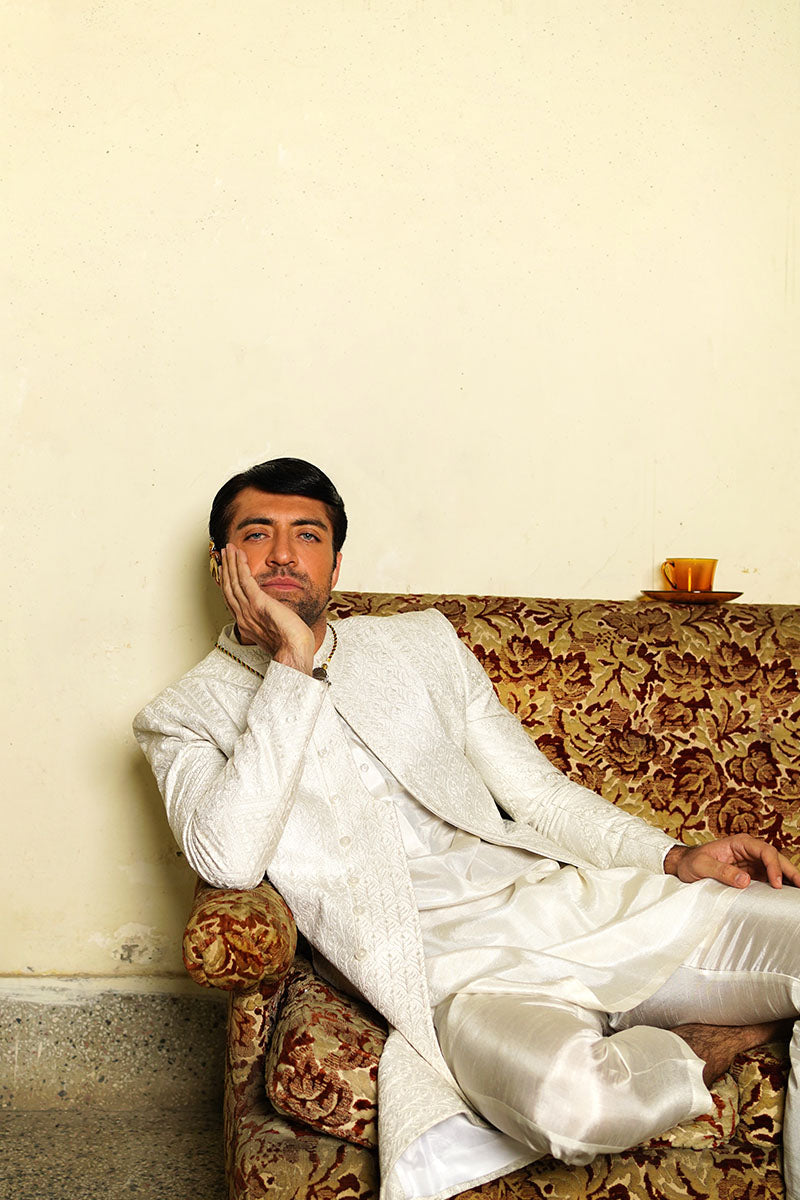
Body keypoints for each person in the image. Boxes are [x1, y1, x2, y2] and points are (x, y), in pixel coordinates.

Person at [134, 457, 800, 1200]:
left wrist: (674, 857)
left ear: (336, 564)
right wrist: (292, 665)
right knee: (576, 1107)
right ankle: (727, 1032)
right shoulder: (183, 715)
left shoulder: (420, 645)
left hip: (571, 904)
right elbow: (227, 861)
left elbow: (539, 795)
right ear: (221, 561)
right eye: (258, 534)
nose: (284, 555)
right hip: (452, 972)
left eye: (308, 536)